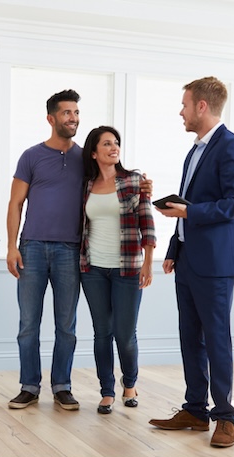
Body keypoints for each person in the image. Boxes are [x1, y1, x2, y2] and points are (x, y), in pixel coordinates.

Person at [6, 89, 154, 411]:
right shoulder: (31, 156)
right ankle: (29, 386)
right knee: (28, 323)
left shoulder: (85, 159)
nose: (73, 118)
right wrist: (11, 246)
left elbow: (116, 183)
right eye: (66, 113)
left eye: (76, 112)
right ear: (51, 118)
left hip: (71, 251)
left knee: (66, 325)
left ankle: (62, 386)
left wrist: (143, 185)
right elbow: (16, 203)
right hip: (31, 247)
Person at [148, 77, 234, 448]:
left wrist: (189, 214)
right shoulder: (194, 151)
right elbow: (188, 206)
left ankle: (225, 417)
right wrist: (175, 248)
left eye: (185, 104)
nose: (181, 111)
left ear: (202, 107)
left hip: (216, 263)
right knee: (190, 338)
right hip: (188, 259)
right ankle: (195, 409)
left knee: (216, 339)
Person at [80, 126, 156, 415]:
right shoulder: (85, 185)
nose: (114, 148)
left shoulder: (134, 182)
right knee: (102, 332)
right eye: (107, 144)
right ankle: (107, 391)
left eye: (117, 143)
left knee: (125, 335)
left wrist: (148, 262)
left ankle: (131, 384)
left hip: (127, 269)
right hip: (93, 269)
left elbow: (147, 224)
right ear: (94, 152)